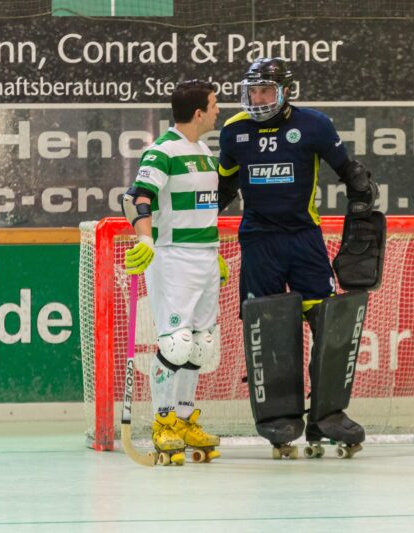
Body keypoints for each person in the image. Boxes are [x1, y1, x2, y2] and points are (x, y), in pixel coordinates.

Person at [217, 58, 382, 458]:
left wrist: (362, 206)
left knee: (328, 328)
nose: (258, 99)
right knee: (269, 329)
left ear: (286, 91)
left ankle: (327, 416)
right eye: (253, 91)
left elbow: (352, 175)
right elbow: (222, 188)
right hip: (259, 242)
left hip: (304, 241)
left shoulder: (314, 125)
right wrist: (192, 228)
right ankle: (278, 418)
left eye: (266, 91)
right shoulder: (234, 130)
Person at [121, 79, 228, 465]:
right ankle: (162, 422)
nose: (218, 110)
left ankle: (183, 420)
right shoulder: (161, 151)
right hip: (173, 257)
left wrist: (213, 252)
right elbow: (137, 198)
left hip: (205, 256)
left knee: (201, 344)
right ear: (198, 113)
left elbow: (203, 207)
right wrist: (146, 240)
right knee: (176, 344)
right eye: (214, 105)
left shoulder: (204, 152)